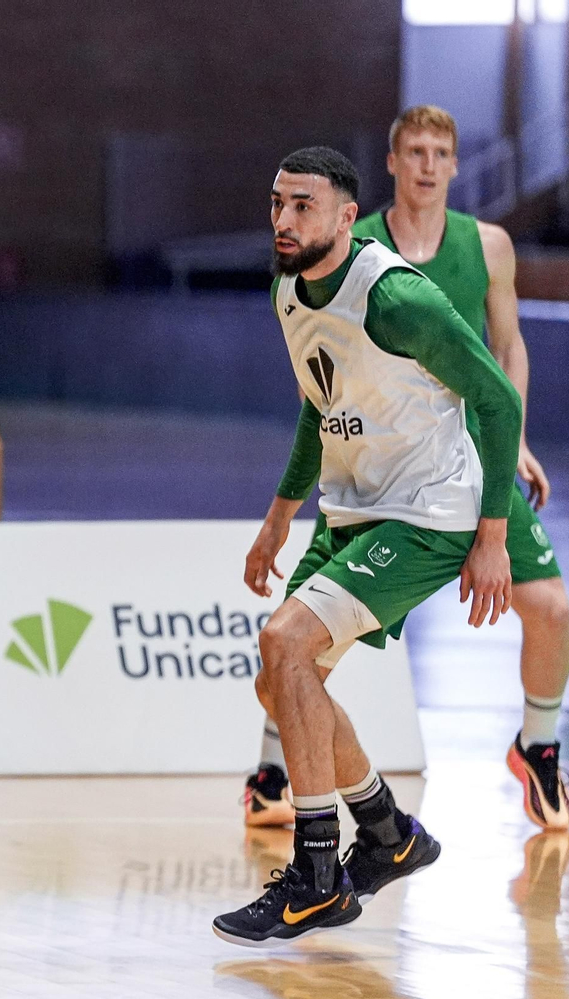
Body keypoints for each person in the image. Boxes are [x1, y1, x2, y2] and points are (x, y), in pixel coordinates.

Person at [212, 147, 521, 946]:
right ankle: (388, 832)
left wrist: (493, 532)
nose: (283, 220)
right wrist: (280, 513)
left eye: (303, 206)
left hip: (428, 512)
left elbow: (493, 397)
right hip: (353, 508)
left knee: (286, 643)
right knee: (281, 683)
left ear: (348, 217)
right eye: (277, 202)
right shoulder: (289, 291)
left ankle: (316, 875)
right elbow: (323, 404)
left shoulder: (397, 299)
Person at [242, 106, 569, 834]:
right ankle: (312, 787)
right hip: (374, 473)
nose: (428, 163)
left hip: (458, 463)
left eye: (441, 151)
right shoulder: (332, 254)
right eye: (415, 151)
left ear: (456, 164)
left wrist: (511, 437)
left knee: (548, 606)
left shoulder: (485, 247)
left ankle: (538, 747)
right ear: (391, 164)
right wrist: (278, 516)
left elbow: (502, 359)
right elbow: (321, 397)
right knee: (287, 663)